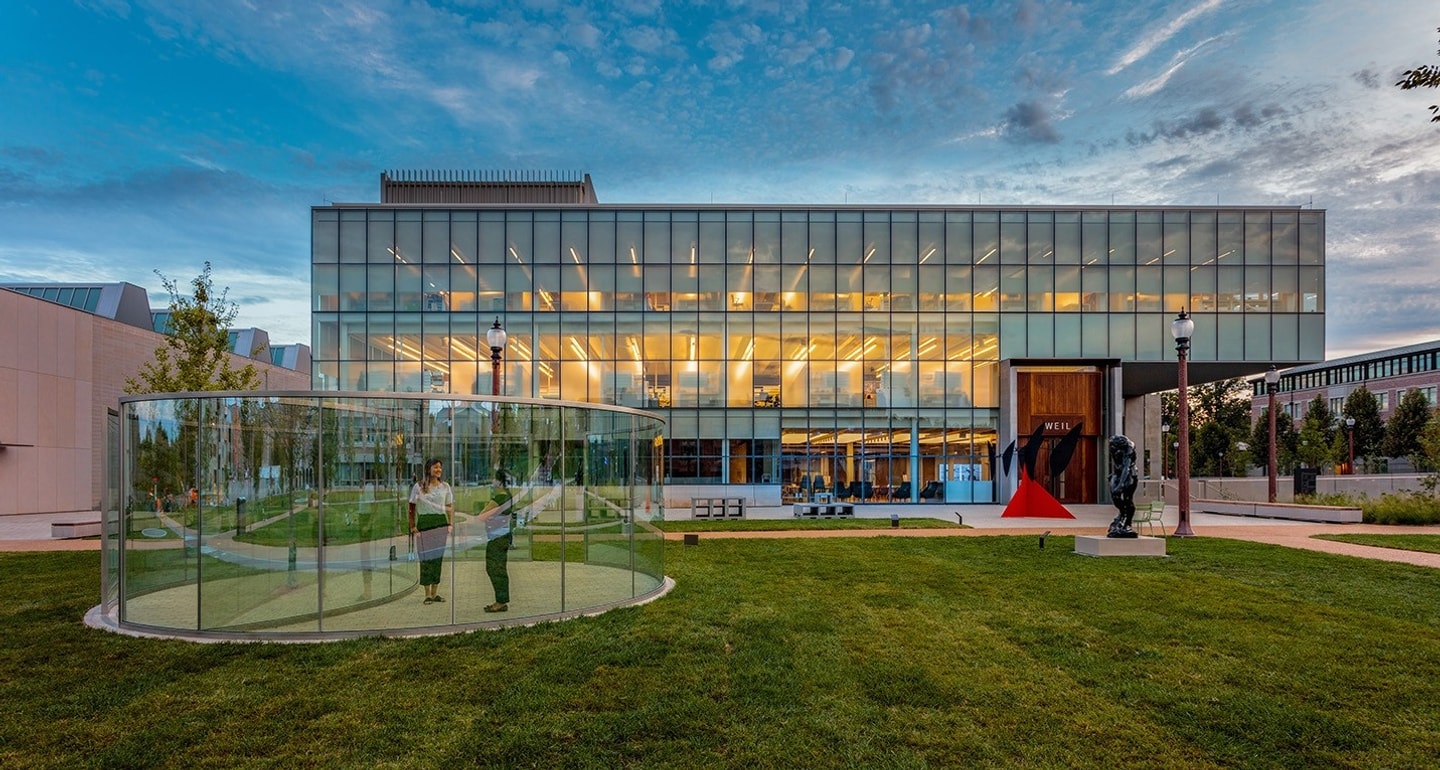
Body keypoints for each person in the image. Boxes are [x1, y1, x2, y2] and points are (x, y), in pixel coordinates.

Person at [408, 458, 454, 604]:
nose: (438, 470)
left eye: (440, 467)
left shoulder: (445, 486)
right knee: (426, 559)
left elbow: (450, 506)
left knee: (437, 559)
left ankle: (435, 593)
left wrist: (450, 524)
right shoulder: (419, 486)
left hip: (440, 523)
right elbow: (411, 508)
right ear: (428, 469)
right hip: (425, 524)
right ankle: (427, 594)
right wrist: (413, 526)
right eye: (435, 467)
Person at [478, 470, 514, 613]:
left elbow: (481, 516)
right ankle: (501, 600)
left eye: (494, 479)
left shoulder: (499, 498)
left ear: (499, 482)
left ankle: (501, 601)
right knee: (499, 568)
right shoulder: (508, 496)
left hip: (497, 538)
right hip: (503, 536)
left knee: (494, 568)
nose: (492, 482)